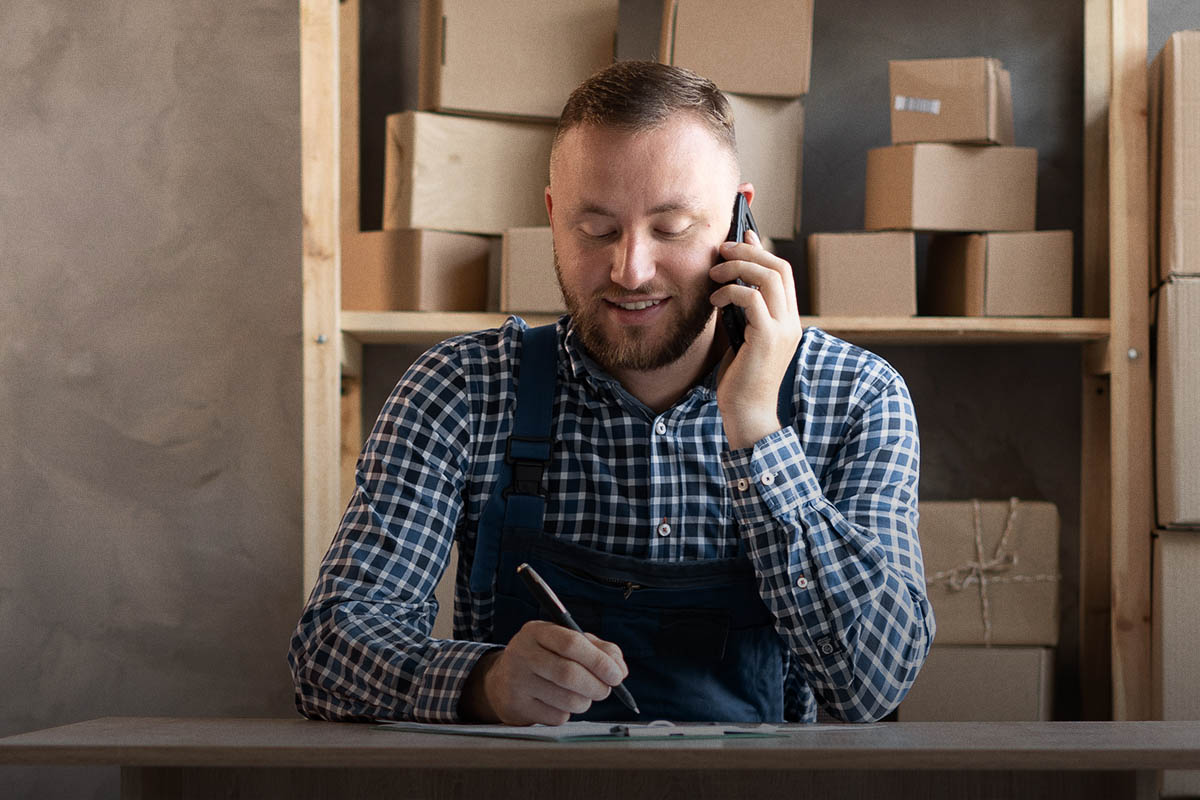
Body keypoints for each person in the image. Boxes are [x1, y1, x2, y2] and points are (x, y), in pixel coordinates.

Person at [289, 60, 933, 726]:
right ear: (551, 217)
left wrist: (757, 429)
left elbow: (873, 686)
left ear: (742, 223)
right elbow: (328, 656)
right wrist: (483, 683)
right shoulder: (461, 389)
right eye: (595, 229)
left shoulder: (858, 395)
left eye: (672, 228)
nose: (631, 269)